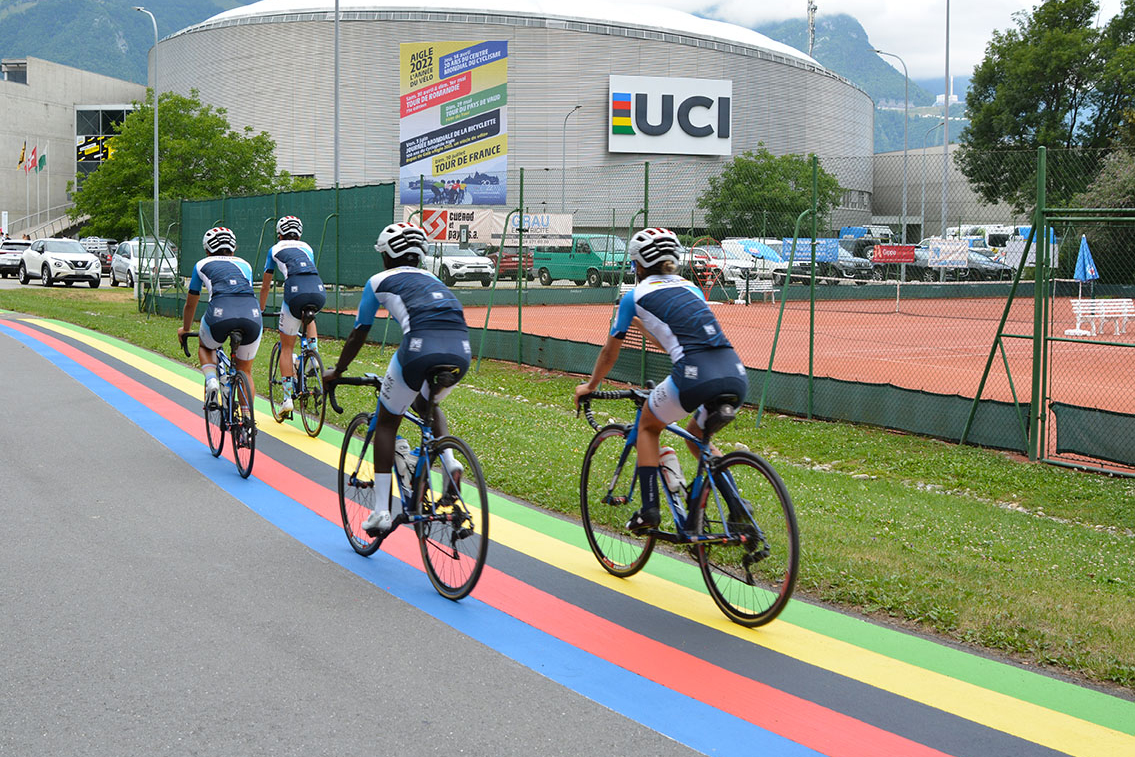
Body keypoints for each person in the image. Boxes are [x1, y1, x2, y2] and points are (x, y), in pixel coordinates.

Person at [573, 227, 748, 532]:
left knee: (648, 426)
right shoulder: (691, 288)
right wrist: (645, 328)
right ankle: (737, 505)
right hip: (734, 371)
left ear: (638, 265)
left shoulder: (633, 296)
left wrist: (591, 386)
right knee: (697, 437)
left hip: (694, 374)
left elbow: (609, 354)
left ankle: (649, 510)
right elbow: (676, 337)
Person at [323, 222, 471, 537]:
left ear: (388, 255)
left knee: (388, 421)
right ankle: (449, 462)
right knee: (425, 402)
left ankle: (380, 511)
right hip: (461, 351)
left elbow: (359, 332)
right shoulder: (435, 278)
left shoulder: (378, 280)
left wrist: (337, 370)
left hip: (419, 349)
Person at [178, 227, 263, 411]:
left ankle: (211, 380)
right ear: (233, 248)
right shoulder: (245, 265)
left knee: (205, 345)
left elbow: (191, 304)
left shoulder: (201, 264)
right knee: (245, 371)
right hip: (252, 315)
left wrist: (185, 329)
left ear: (207, 249)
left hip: (220, 312)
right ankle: (248, 422)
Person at [258, 215, 326, 417]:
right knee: (310, 316)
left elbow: (266, 284)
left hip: (294, 290)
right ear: (299, 233)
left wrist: (261, 310)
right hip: (317, 288)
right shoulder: (308, 247)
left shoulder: (274, 249)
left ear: (279, 234)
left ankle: (287, 398)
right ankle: (313, 355)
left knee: (286, 348)